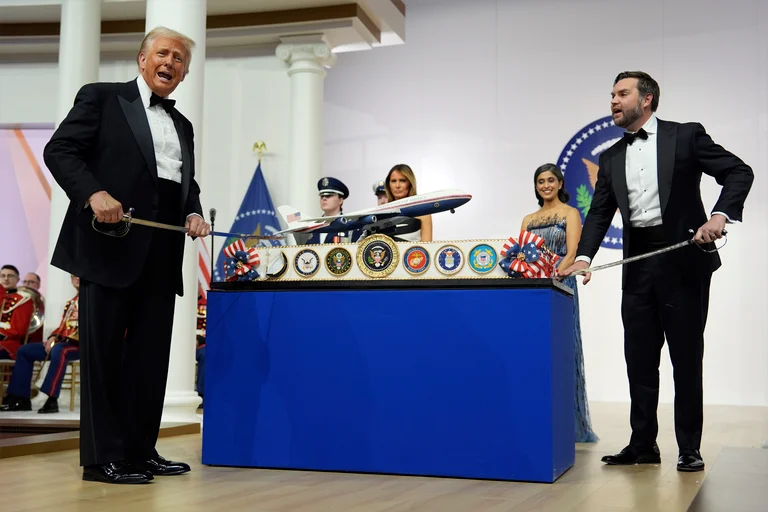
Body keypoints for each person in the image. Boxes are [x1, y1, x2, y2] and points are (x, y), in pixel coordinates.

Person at [560, 71, 754, 472]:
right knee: (640, 359)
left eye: (621, 93)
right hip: (639, 264)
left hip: (685, 257)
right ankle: (643, 444)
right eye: (611, 94)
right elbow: (599, 214)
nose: (613, 100)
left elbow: (739, 171)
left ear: (646, 99)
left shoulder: (685, 136)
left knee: (686, 358)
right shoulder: (611, 156)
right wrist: (584, 256)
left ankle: (689, 447)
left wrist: (719, 215)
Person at [43, 26, 211, 484]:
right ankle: (102, 459)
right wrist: (92, 192)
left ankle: (140, 450)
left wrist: (194, 212)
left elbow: (183, 184)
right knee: (102, 359)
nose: (170, 63)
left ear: (184, 73)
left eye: (179, 59)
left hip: (161, 252)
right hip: (107, 246)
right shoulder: (100, 97)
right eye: (163, 53)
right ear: (142, 59)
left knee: (150, 358)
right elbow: (59, 150)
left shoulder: (183, 126)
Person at [520, 163, 598, 443]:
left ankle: (568, 421)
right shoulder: (528, 219)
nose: (546, 185)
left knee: (563, 351)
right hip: (532, 289)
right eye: (541, 181)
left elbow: (572, 251)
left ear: (561, 184)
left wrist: (550, 275)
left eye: (551, 180)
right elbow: (521, 255)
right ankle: (536, 417)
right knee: (535, 351)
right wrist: (532, 276)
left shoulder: (570, 213)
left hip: (560, 284)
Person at [1, 274, 80, 413]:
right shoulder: (72, 301)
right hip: (66, 342)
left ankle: (51, 399)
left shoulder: (95, 301)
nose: (76, 278)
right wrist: (53, 337)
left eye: (78, 275)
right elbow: (63, 326)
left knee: (60, 350)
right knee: (25, 351)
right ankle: (20, 398)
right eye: (73, 276)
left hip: (85, 345)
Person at [384, 164, 432, 242]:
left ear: (410, 183)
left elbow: (427, 248)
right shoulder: (381, 212)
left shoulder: (424, 213)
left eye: (402, 180)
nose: (397, 185)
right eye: (393, 181)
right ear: (388, 184)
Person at [306, 177, 358, 244]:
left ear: (340, 200)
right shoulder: (312, 226)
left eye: (329, 195)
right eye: (322, 196)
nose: (324, 198)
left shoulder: (350, 226)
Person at [0, 264, 35, 360]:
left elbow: (19, 330)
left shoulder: (23, 299)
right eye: (3, 276)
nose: (6, 279)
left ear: (18, 280)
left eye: (10, 276)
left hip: (9, 344)